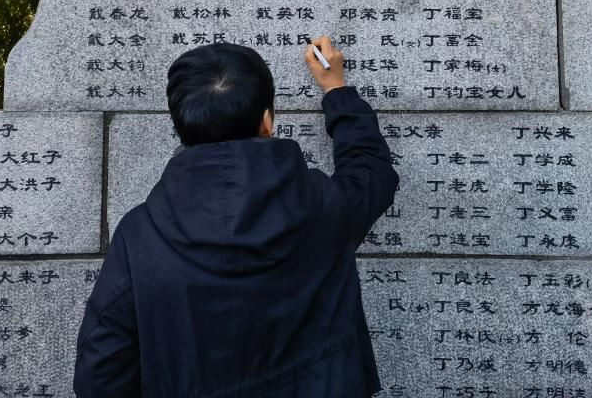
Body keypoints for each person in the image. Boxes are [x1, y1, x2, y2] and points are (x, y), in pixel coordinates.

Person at [74, 37, 399, 398]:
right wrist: (335, 87)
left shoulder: (140, 236)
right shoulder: (324, 207)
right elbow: (372, 174)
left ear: (183, 129)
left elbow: (101, 372)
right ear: (266, 121)